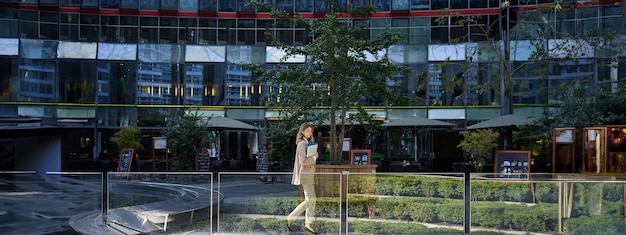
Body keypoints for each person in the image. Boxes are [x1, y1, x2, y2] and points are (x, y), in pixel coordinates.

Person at [287, 123, 319, 234]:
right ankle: (295, 218)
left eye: (311, 131)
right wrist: (314, 158)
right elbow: (303, 161)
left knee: (311, 200)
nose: (310, 133)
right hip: (305, 175)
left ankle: (307, 222)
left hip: (308, 175)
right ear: (302, 131)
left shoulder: (306, 143)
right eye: (308, 130)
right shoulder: (302, 144)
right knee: (311, 200)